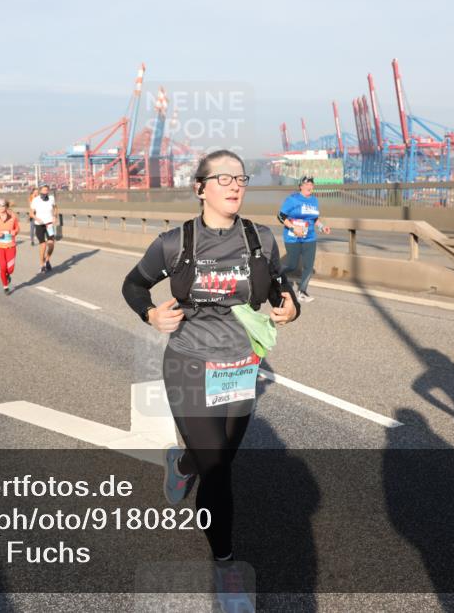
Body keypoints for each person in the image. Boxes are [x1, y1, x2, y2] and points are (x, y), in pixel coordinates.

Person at [121, 149, 299, 613]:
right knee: (219, 470)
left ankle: (181, 466)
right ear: (200, 187)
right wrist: (151, 312)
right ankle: (227, 567)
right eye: (223, 178)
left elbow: (279, 283)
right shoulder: (175, 243)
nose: (235, 185)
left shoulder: (260, 238)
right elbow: (133, 285)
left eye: (240, 177)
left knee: (216, 459)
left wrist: (288, 303)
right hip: (188, 365)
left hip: (240, 367)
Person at [277, 176, 330, 303]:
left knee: (308, 266)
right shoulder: (292, 199)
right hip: (293, 237)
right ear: (300, 186)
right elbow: (280, 216)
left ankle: (302, 291)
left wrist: (322, 227)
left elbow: (314, 218)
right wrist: (293, 227)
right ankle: (275, 275)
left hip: (309, 238)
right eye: (306, 184)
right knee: (292, 265)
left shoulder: (314, 200)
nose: (309, 186)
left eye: (311, 184)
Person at [29, 184, 58, 272]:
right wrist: (37, 218)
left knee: (51, 244)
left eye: (47, 190)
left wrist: (54, 216)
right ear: (40, 191)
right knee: (43, 245)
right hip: (39, 224)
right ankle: (42, 264)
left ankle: (47, 259)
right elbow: (31, 213)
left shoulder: (51, 198)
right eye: (43, 190)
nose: (45, 192)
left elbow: (56, 208)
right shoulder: (35, 200)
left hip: (49, 224)